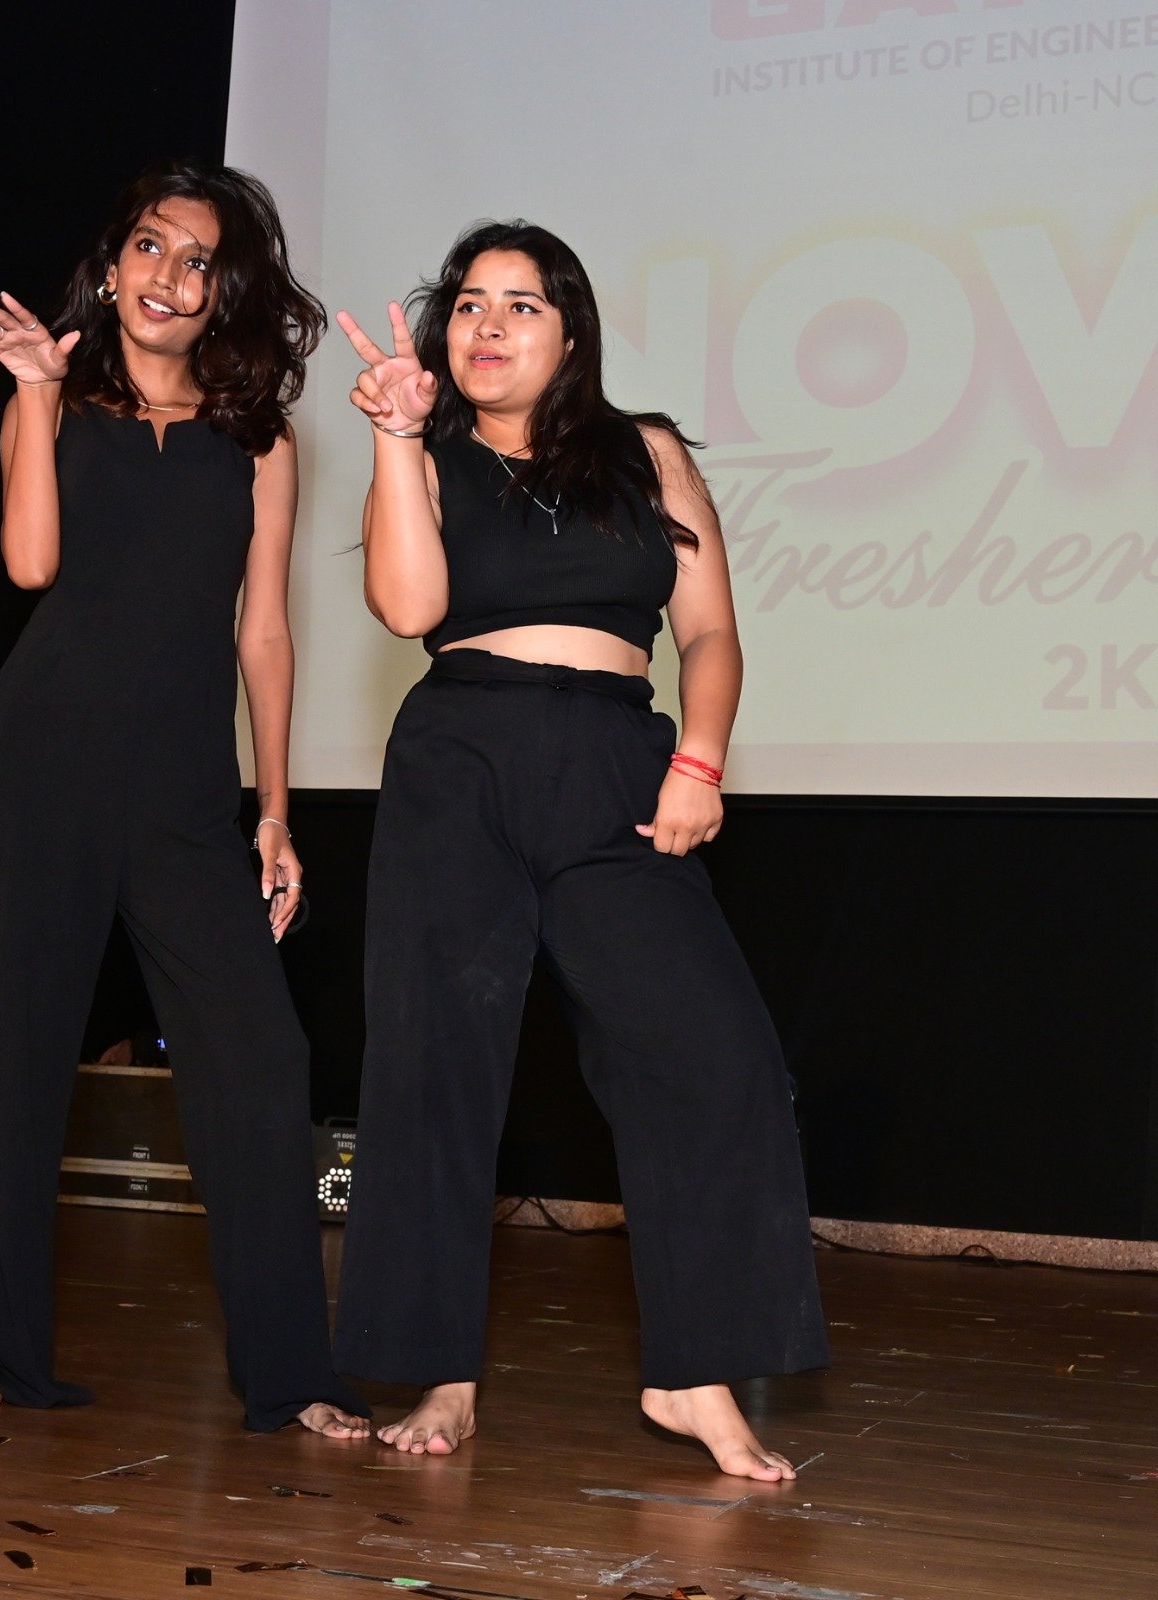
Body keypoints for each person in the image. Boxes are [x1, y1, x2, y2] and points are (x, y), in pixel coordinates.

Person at [331, 222, 827, 1477]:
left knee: (714, 1056)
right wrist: (394, 438)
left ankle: (693, 1374)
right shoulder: (423, 451)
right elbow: (407, 607)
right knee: (435, 1066)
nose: (488, 325)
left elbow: (708, 632)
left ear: (569, 332)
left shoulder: (643, 451)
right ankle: (442, 1375)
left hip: (616, 763)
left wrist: (698, 759)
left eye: (521, 304)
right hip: (459, 759)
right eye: (468, 304)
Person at [0, 160, 369, 1439]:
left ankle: (291, 1374)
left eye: (199, 261)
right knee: (18, 1066)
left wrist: (274, 810)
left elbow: (264, 633)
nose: (170, 276)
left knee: (261, 1058)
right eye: (150, 247)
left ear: (225, 290)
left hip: (182, 796)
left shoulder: (260, 438)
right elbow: (30, 565)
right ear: (113, 265)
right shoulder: (54, 399)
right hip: (35, 775)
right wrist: (32, 392)